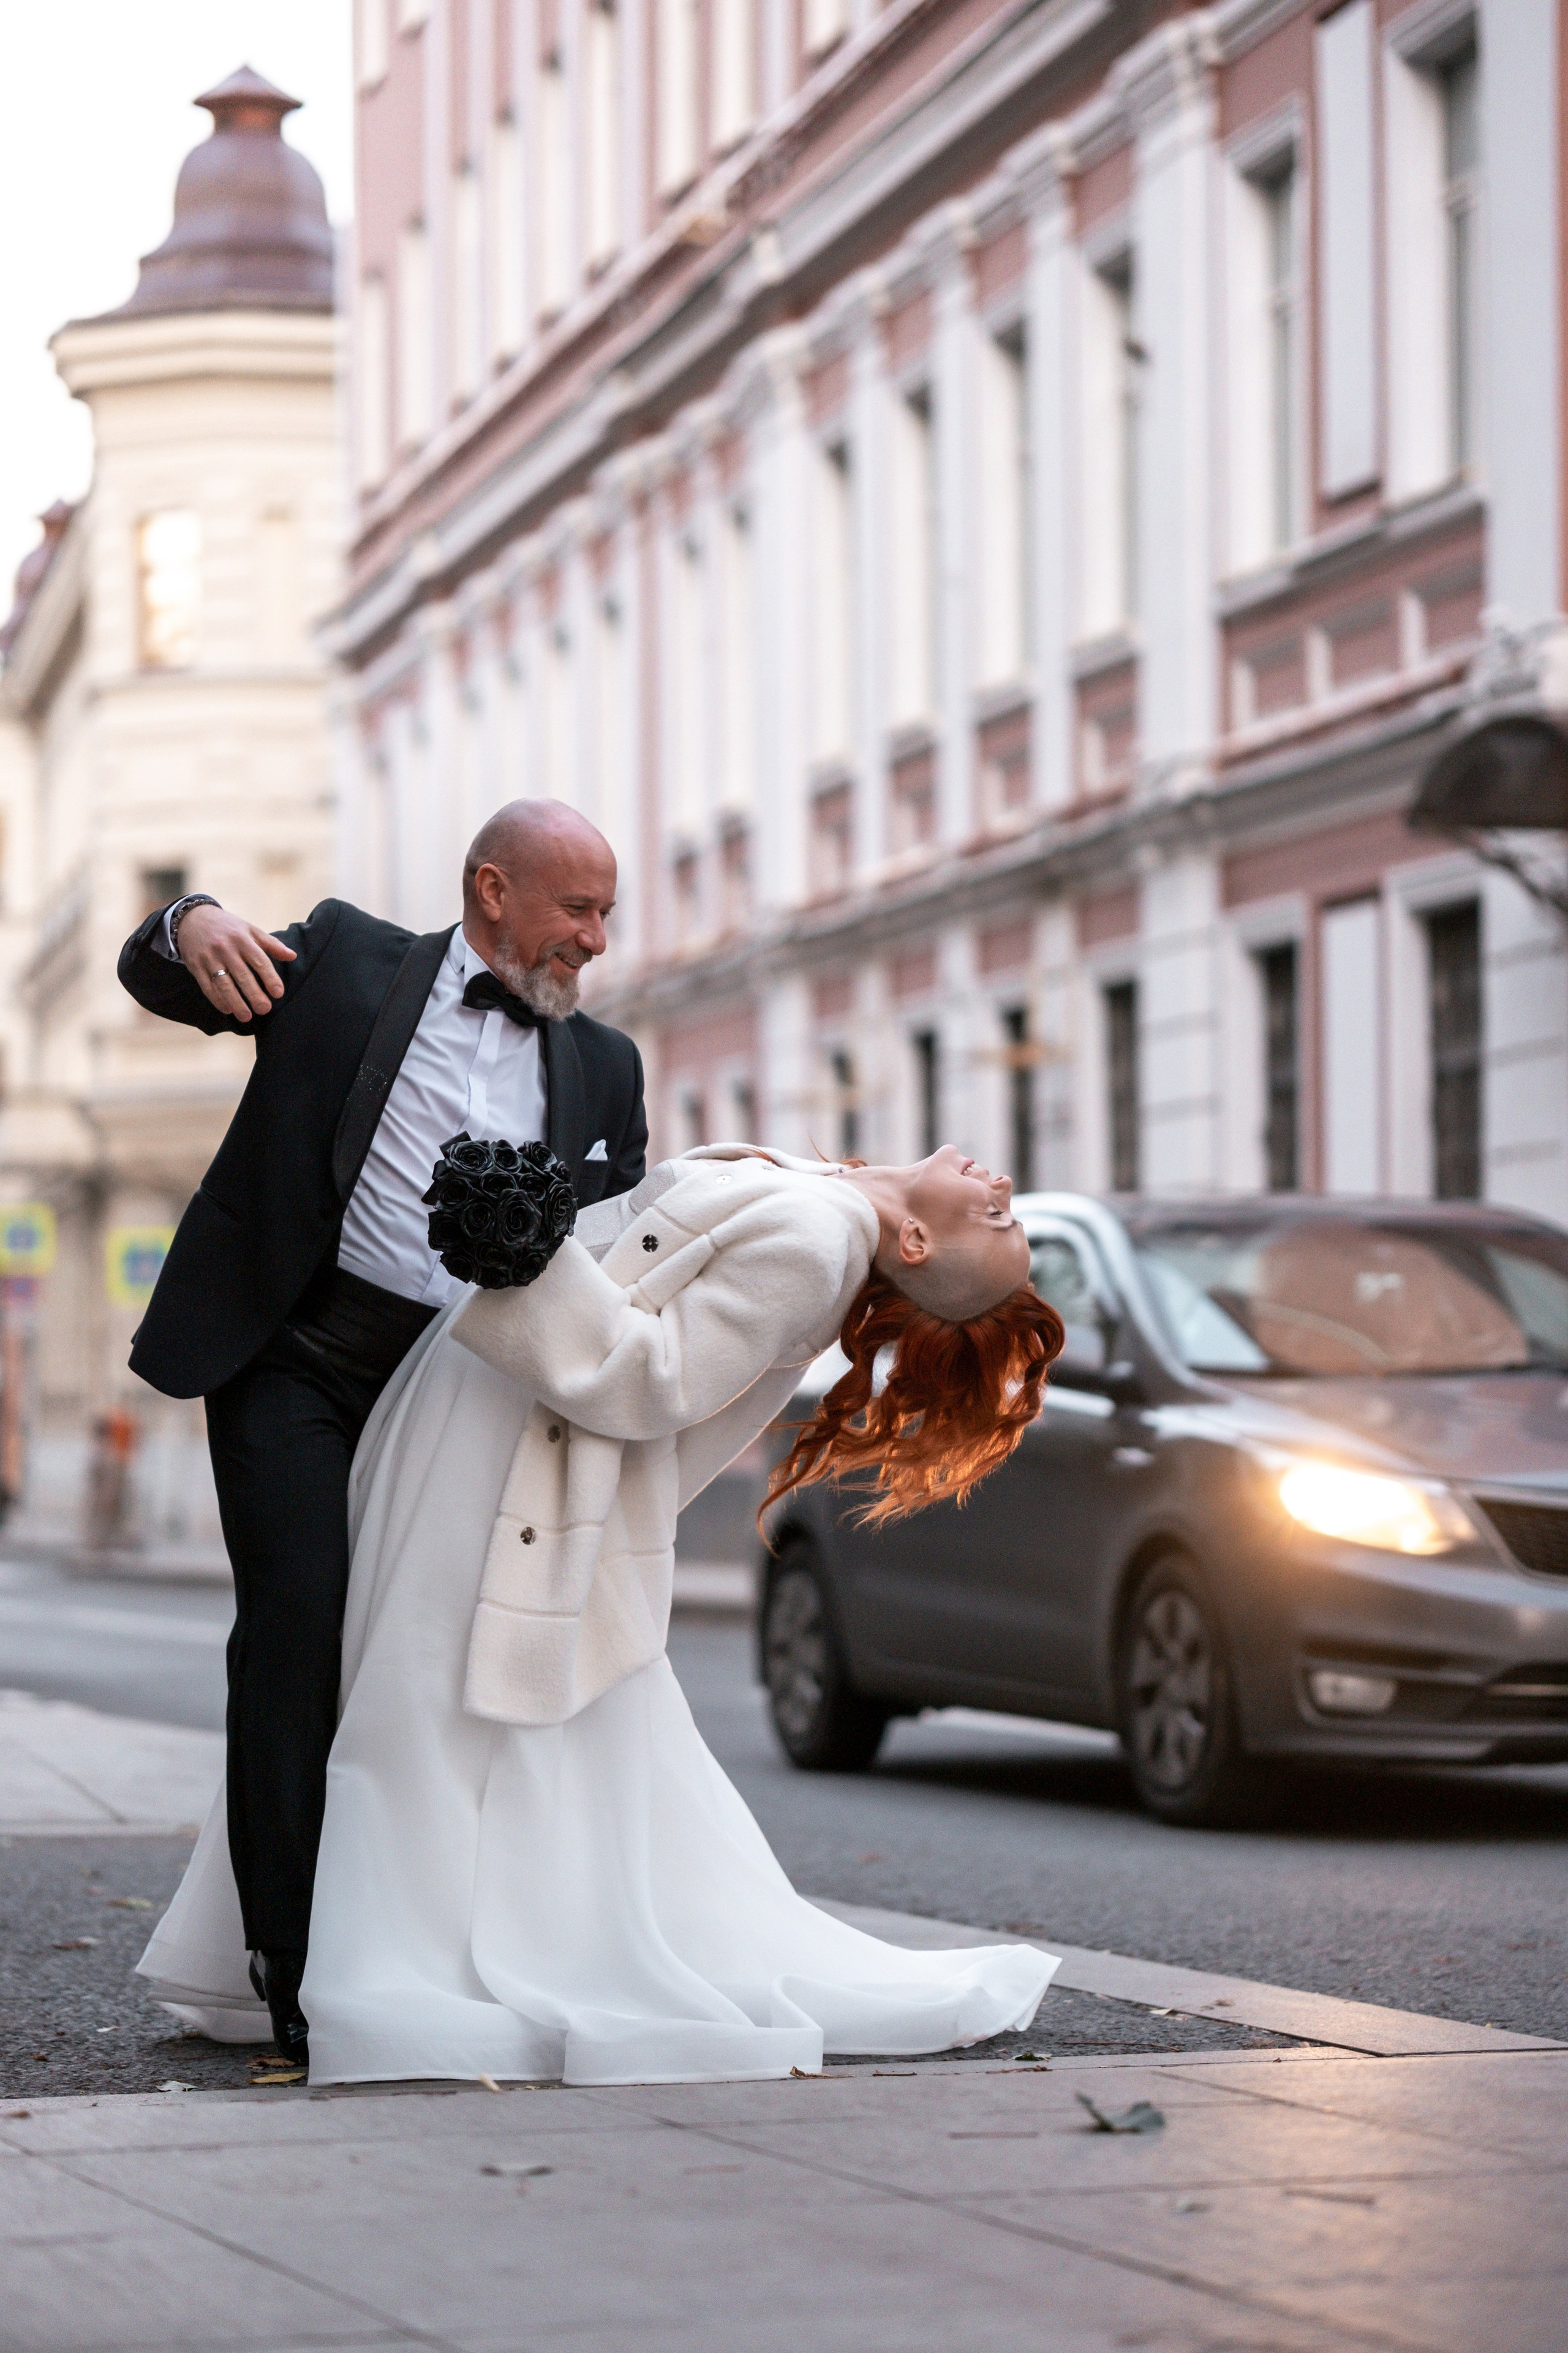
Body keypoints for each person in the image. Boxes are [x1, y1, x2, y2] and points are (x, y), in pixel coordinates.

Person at [140, 1141, 1066, 2085]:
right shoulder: (828, 1197)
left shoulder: (818, 1240)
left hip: (512, 1442)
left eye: (995, 1213)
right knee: (400, 1666)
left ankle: (383, 1948)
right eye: (1003, 1200)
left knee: (415, 1680)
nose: (998, 1182)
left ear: (914, 1240)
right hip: (491, 1395)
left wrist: (526, 1250)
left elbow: (651, 1378)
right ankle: (339, 1934)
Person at [118, 801, 647, 2067]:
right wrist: (188, 923)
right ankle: (294, 1971)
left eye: (605, 913)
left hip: (455, 1389)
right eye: (576, 910)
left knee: (423, 1666)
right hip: (293, 1358)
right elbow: (159, 972)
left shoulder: (607, 1066)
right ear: (491, 891)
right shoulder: (349, 960)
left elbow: (618, 1254)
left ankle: (432, 1940)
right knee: (297, 1629)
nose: (595, 940)